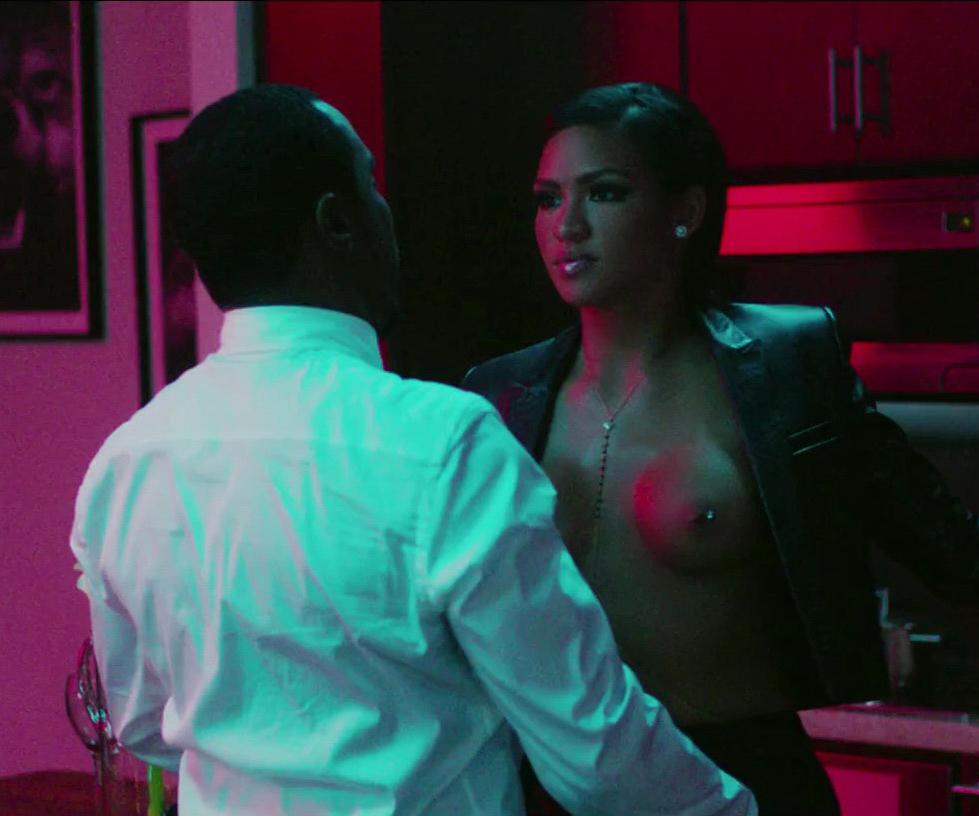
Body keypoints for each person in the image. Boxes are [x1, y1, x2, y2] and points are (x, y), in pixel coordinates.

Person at [461, 82, 979, 815]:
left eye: (604, 193)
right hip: (551, 793)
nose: (566, 225)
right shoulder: (499, 398)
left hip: (739, 781)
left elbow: (953, 548)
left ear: (684, 211)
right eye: (548, 198)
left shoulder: (780, 371)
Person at [69, 84, 758, 816]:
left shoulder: (124, 464)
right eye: (370, 184)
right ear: (338, 223)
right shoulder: (444, 445)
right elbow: (593, 754)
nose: (386, 209)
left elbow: (144, 721)